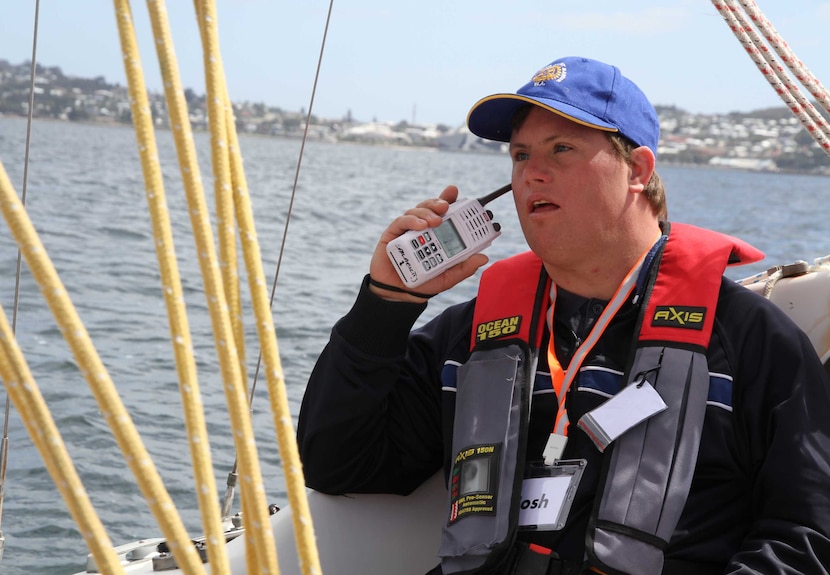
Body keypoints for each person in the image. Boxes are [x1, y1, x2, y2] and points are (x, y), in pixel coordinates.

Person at [296, 56, 830, 574]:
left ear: (638, 169)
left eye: (562, 148)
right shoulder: (473, 336)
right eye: (521, 155)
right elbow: (339, 462)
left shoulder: (749, 341)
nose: (534, 174)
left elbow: (808, 536)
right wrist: (386, 303)